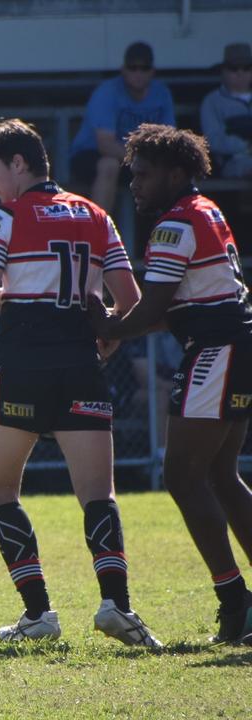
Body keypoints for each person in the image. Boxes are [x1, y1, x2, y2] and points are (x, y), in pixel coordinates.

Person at [0, 119, 160, 646]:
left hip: (20, 367)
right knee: (99, 493)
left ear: (19, 164)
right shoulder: (96, 215)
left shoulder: (4, 215)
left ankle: (39, 615)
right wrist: (109, 329)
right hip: (80, 365)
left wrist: (6, 294)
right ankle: (116, 606)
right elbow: (130, 300)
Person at [87, 123, 252, 645]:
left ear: (178, 174)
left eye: (145, 174)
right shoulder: (205, 212)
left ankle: (235, 601)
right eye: (132, 174)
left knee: (182, 476)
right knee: (222, 474)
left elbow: (157, 307)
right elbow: (184, 304)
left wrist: (104, 324)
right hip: (233, 347)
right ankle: (240, 604)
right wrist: (121, 326)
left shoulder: (176, 223)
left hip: (216, 353)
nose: (135, 183)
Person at [70, 42, 176, 215]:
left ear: (152, 71)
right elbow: (106, 145)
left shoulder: (161, 93)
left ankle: (181, 231)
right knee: (109, 164)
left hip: (140, 159)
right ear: (123, 70)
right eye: (133, 68)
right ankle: (98, 233)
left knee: (177, 169)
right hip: (90, 155)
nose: (138, 74)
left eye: (144, 68)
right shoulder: (107, 92)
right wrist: (145, 160)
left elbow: (169, 138)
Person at [200, 42, 252, 180]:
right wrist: (246, 147)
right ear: (224, 71)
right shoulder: (212, 101)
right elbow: (212, 140)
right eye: (234, 68)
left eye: (246, 68)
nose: (240, 73)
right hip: (233, 162)